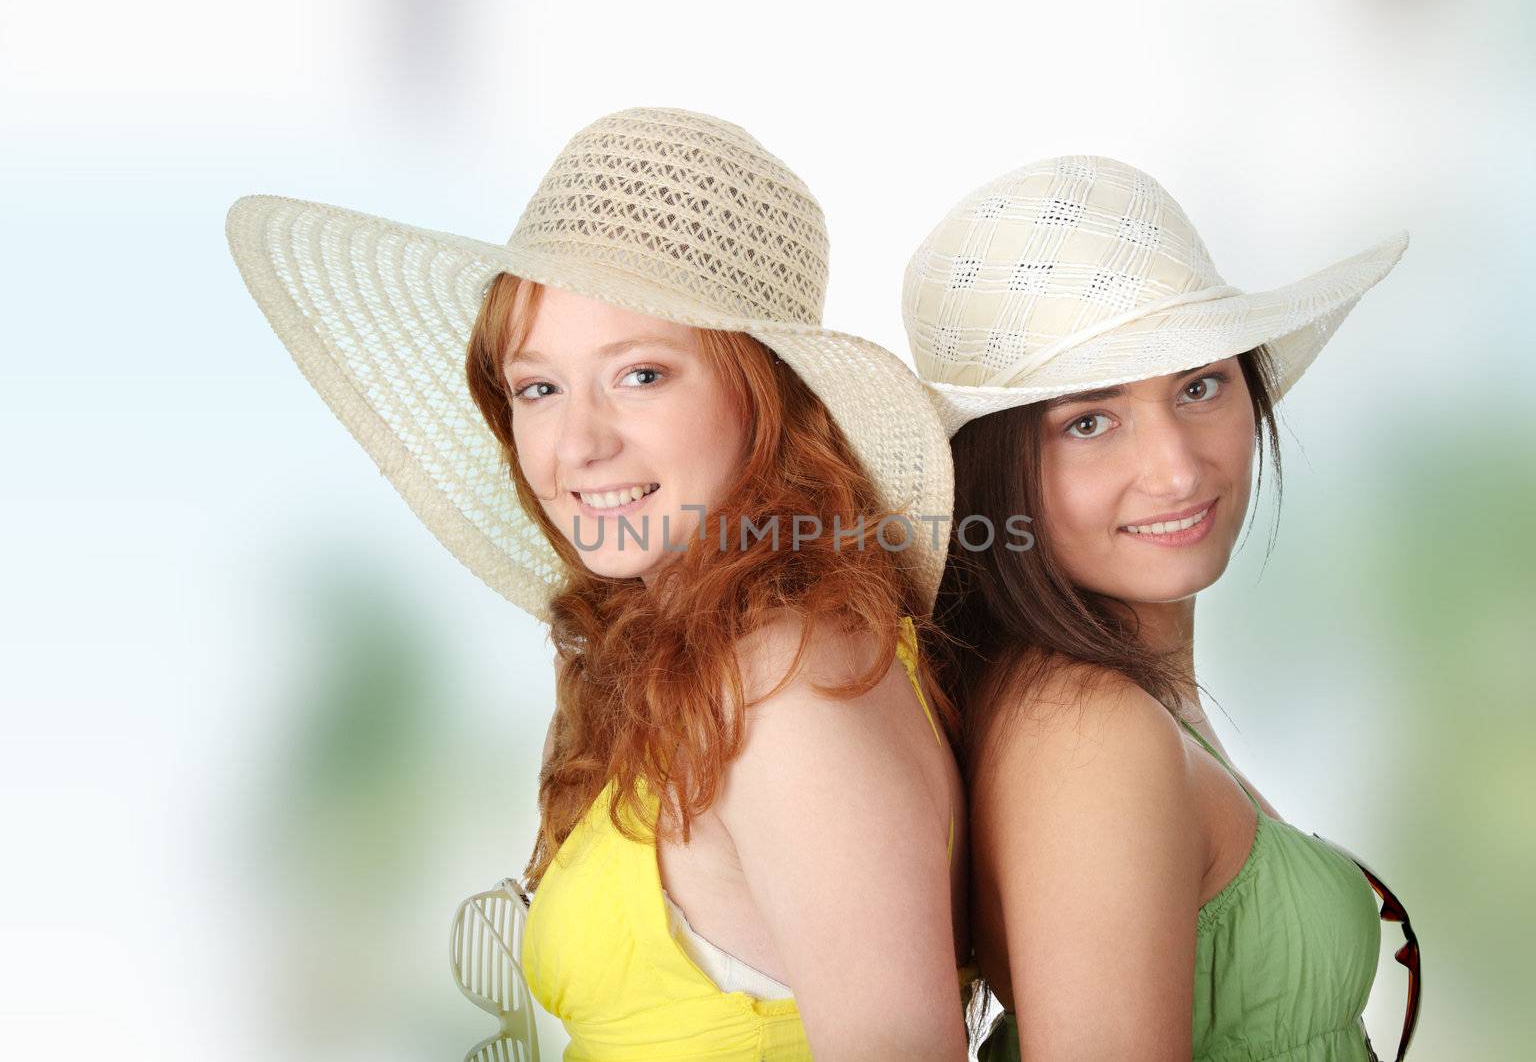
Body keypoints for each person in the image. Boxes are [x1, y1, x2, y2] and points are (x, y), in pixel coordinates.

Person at [226, 107, 976, 1060]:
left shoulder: (787, 685)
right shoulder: (696, 663)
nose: (578, 445)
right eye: (539, 388)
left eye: (642, 375)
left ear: (769, 397)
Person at [900, 155, 1419, 1060]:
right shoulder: (1088, 734)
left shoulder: (1106, 696)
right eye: (1089, 422)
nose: (1178, 469)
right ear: (991, 470)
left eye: (1199, 386)